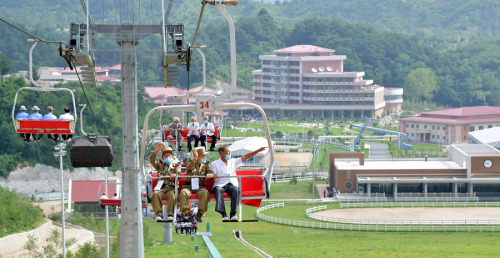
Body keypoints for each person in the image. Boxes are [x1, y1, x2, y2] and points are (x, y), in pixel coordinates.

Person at [210, 145, 267, 221]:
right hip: (220, 184)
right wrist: (214, 176)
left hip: (231, 184)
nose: (229, 154)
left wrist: (258, 150)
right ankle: (223, 215)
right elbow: (213, 177)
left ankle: (232, 214)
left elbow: (246, 156)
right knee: (218, 190)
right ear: (221, 153)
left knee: (235, 190)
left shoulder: (233, 161)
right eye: (228, 152)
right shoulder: (215, 164)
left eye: (230, 152)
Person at [180, 147, 213, 222]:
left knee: (205, 193)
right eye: (203, 156)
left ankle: (199, 214)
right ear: (198, 156)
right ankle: (187, 213)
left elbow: (209, 171)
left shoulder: (205, 164)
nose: (204, 157)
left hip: (200, 186)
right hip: (189, 186)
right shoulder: (189, 162)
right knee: (183, 193)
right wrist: (195, 158)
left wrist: (210, 174)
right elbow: (189, 167)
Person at [150, 143, 181, 221]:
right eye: (166, 156)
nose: (168, 157)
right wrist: (155, 152)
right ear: (163, 158)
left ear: (172, 156)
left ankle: (170, 214)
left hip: (171, 187)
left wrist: (175, 175)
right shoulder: (160, 165)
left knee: (171, 195)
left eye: (169, 155)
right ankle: (159, 214)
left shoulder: (176, 165)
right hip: (161, 187)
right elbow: (152, 162)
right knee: (155, 195)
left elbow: (178, 173)